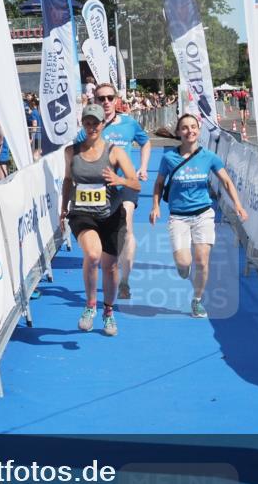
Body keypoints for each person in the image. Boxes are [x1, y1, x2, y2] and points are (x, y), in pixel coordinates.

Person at [150, 113, 247, 318]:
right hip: (178, 216)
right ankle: (183, 268)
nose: (189, 131)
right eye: (184, 128)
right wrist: (155, 206)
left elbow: (227, 182)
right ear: (178, 132)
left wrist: (238, 204)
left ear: (199, 130)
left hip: (203, 214)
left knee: (202, 261)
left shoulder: (209, 157)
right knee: (185, 264)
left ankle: (197, 300)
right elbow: (159, 183)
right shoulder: (169, 158)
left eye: (193, 127)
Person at [60, 103, 140, 337]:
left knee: (111, 266)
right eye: (88, 122)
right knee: (93, 255)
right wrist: (64, 207)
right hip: (83, 214)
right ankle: (90, 306)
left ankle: (108, 311)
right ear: (83, 124)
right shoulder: (71, 152)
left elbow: (135, 183)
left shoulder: (115, 151)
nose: (92, 126)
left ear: (102, 124)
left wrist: (119, 180)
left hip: (111, 214)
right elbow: (67, 180)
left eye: (96, 122)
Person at [72, 83, 152, 299]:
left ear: (116, 100)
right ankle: (106, 269)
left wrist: (142, 167)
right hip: (98, 189)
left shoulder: (129, 124)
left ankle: (125, 280)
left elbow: (145, 143)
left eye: (109, 97)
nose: (106, 102)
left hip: (123, 183)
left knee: (126, 225)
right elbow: (76, 155)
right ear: (95, 101)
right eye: (101, 98)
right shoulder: (91, 126)